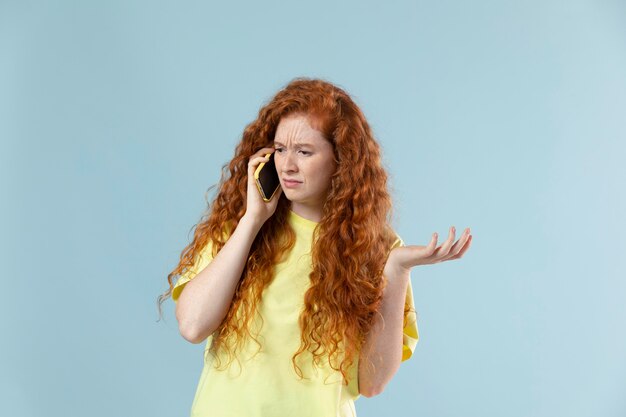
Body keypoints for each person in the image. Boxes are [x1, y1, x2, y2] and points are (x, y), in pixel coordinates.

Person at [158, 77, 472, 417]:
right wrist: (252, 221)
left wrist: (397, 270)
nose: (287, 165)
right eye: (280, 149)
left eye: (304, 152)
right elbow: (192, 325)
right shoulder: (240, 225)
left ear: (342, 159)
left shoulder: (376, 247)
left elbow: (372, 383)